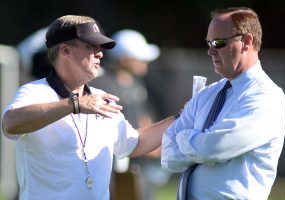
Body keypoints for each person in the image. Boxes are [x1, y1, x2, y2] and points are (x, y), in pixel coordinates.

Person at [1, 15, 175, 200]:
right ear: (65, 50)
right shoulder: (35, 91)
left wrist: (182, 116)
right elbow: (10, 124)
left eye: (100, 47)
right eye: (91, 46)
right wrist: (75, 104)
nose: (100, 53)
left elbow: (135, 143)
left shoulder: (100, 97)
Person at [161, 7, 285, 200]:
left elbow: (214, 148)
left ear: (246, 42)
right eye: (208, 42)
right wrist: (198, 142)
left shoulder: (266, 97)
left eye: (218, 42)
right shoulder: (208, 93)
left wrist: (185, 136)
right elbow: (168, 157)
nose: (210, 50)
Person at [90, 29, 168, 200]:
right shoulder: (102, 86)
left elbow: (144, 119)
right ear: (125, 60)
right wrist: (154, 149)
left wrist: (157, 145)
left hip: (138, 168)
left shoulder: (136, 84)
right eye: (140, 59)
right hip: (113, 172)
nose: (145, 62)